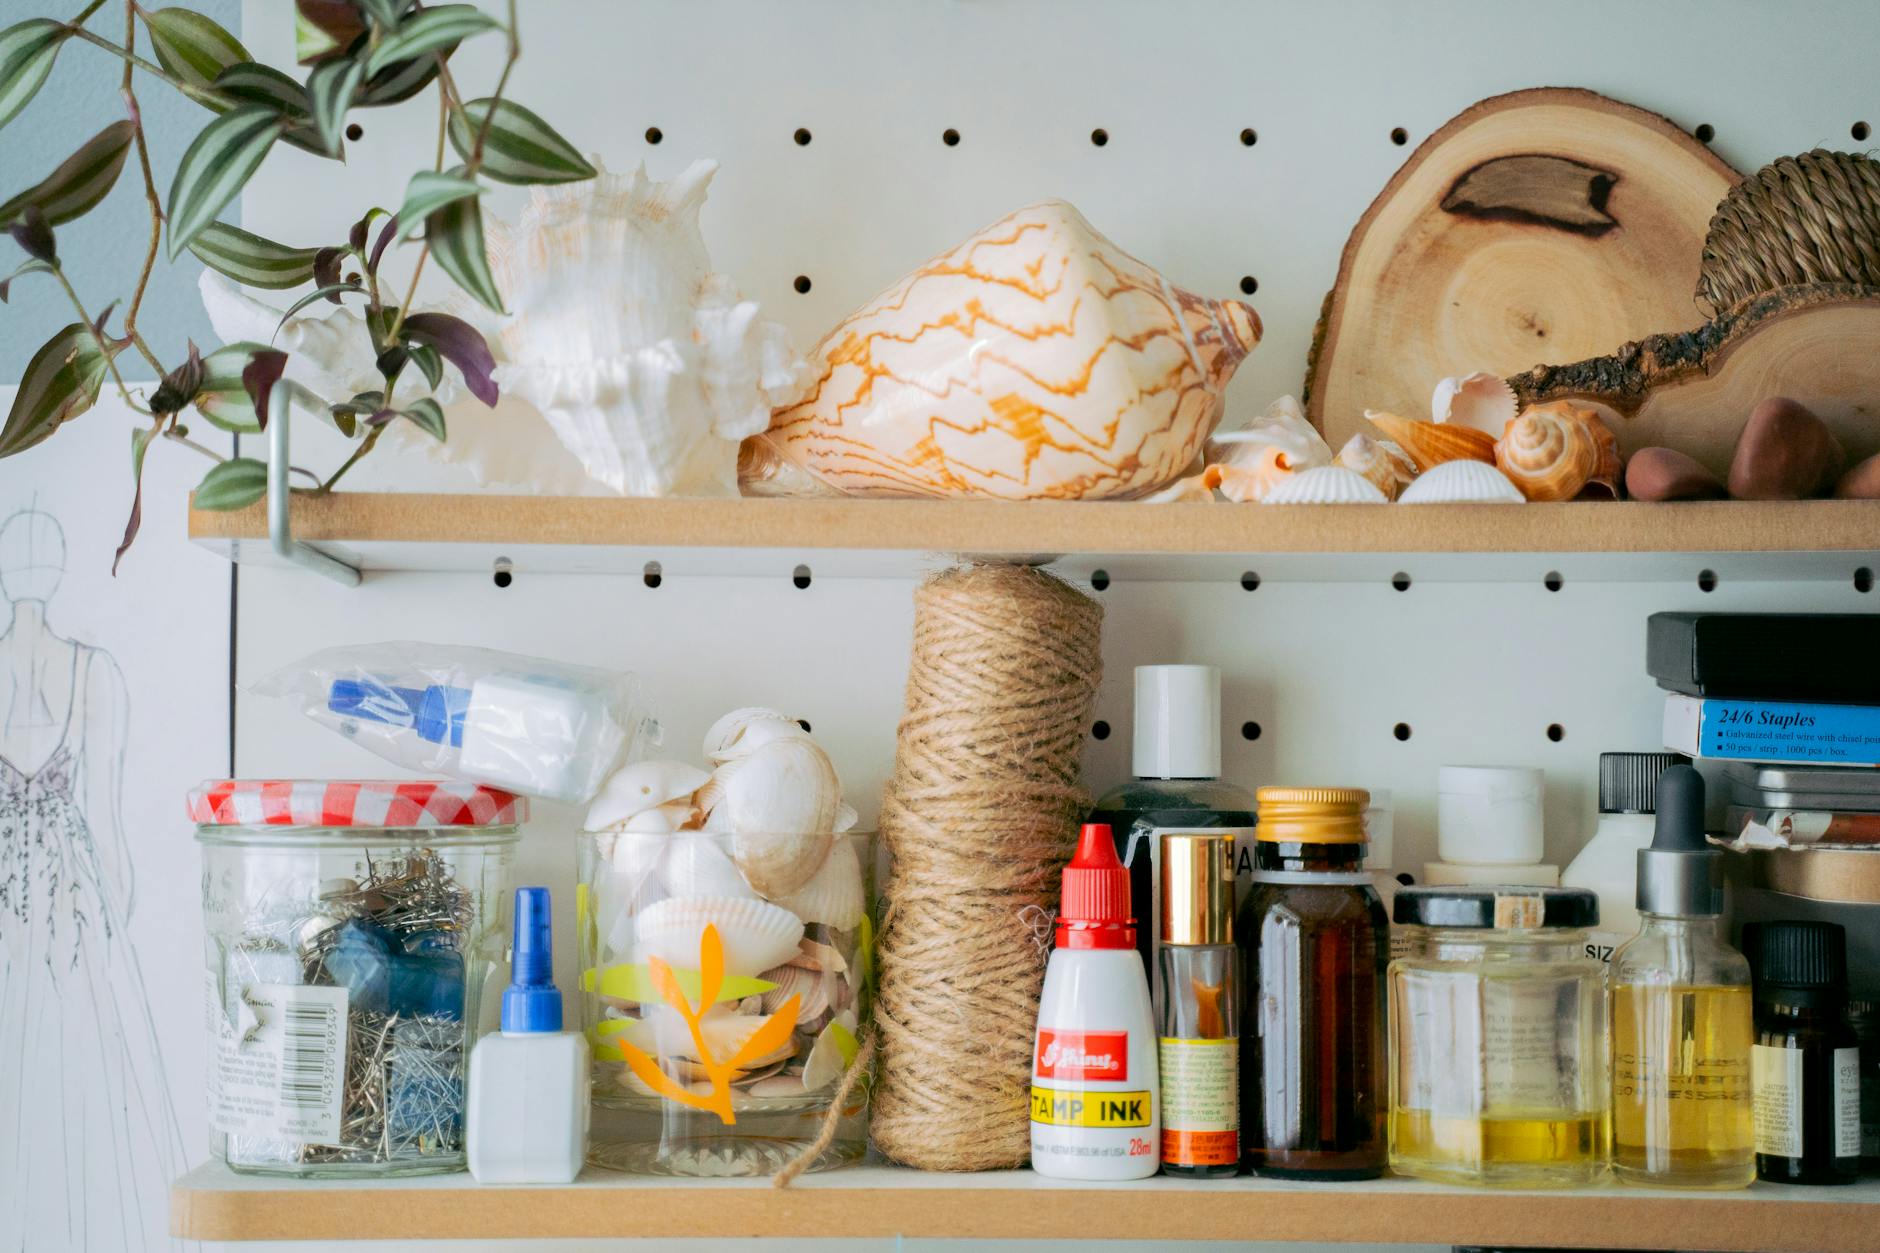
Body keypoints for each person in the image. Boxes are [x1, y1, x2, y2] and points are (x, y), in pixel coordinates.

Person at [0, 508, 188, 1250]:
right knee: (73, 1050)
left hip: (32, 892)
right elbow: (108, 826)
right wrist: (116, 913)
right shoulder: (91, 670)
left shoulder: (92, 669)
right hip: (71, 891)